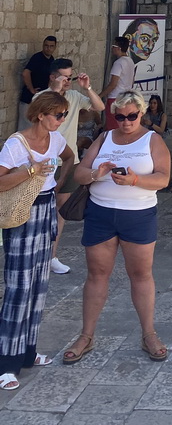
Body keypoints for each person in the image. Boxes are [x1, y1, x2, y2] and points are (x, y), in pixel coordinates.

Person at [64, 90, 171, 365]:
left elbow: (163, 178)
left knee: (140, 275)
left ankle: (149, 334)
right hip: (101, 213)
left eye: (132, 116)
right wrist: (95, 174)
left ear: (142, 114)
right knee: (96, 274)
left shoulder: (152, 139)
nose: (126, 122)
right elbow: (78, 173)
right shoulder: (105, 138)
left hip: (138, 215)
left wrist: (136, 180)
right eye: (120, 116)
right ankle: (86, 336)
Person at [0, 90, 74, 390]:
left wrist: (56, 185)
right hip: (21, 212)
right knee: (18, 287)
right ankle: (6, 362)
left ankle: (28, 352)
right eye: (58, 114)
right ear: (40, 114)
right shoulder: (16, 144)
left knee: (39, 285)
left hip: (44, 209)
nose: (62, 120)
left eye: (64, 114)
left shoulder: (56, 141)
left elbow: (69, 156)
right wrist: (32, 170)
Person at [32, 59, 105, 275]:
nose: (68, 81)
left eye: (70, 77)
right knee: (37, 208)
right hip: (44, 161)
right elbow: (35, 118)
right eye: (64, 77)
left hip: (68, 160)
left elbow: (99, 107)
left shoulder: (73, 97)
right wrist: (55, 91)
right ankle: (36, 253)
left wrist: (88, 88)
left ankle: (52, 255)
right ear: (53, 77)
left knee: (61, 210)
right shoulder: (41, 97)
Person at [18, 36, 57, 130]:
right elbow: (25, 73)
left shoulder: (51, 60)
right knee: (26, 128)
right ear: (43, 45)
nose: (48, 48)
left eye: (51, 46)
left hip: (41, 101)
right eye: (46, 45)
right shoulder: (37, 58)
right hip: (29, 100)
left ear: (55, 47)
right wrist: (31, 89)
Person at [101, 37, 135, 130]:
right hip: (126, 97)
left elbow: (113, 84)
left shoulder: (118, 63)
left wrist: (100, 95)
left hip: (115, 98)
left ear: (119, 48)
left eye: (114, 46)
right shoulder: (130, 61)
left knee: (113, 125)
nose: (112, 48)